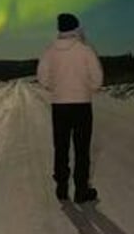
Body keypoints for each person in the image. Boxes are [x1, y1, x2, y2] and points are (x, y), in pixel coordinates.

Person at [36, 13, 104, 203]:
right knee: (82, 149)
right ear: (76, 29)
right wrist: (86, 88)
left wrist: (55, 87)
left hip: (59, 106)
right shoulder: (85, 50)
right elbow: (98, 79)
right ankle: (81, 190)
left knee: (61, 146)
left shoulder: (50, 51)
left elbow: (42, 77)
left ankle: (62, 187)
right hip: (82, 106)